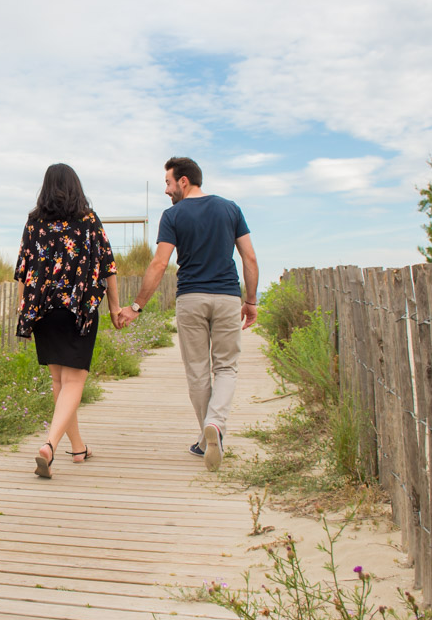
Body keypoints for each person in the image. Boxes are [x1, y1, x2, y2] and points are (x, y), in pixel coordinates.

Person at [118, 157, 258, 472]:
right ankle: (215, 425)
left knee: (197, 371)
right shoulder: (231, 209)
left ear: (184, 181)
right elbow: (249, 257)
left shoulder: (173, 215)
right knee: (226, 368)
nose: (166, 190)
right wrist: (250, 301)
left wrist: (137, 306)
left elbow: (159, 263)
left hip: (191, 298)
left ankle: (207, 436)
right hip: (227, 297)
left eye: (168, 183)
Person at [14, 163, 122, 479]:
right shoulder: (88, 220)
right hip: (79, 309)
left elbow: (23, 270)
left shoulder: (34, 223)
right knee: (73, 382)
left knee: (60, 382)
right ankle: (50, 444)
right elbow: (108, 266)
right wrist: (115, 308)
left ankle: (78, 448)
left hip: (43, 310)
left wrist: (24, 312)